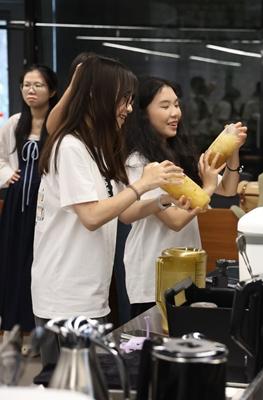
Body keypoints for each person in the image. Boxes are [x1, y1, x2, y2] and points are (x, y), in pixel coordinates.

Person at [32, 56, 187, 368]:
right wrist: (143, 184)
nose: (128, 108)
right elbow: (91, 217)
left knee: (93, 382)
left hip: (92, 294)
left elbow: (123, 212)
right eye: (123, 99)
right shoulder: (70, 147)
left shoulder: (101, 149)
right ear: (97, 97)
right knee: (69, 384)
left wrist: (161, 200)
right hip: (65, 296)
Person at [123, 76, 247, 317]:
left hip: (186, 271)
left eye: (177, 104)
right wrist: (207, 188)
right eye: (165, 106)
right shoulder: (139, 162)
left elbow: (228, 189)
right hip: (152, 275)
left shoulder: (178, 153)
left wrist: (233, 150)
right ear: (144, 113)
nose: (175, 113)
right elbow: (175, 220)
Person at [0, 65, 58, 340]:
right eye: (26, 85)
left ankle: (39, 329)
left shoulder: (57, 125)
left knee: (39, 263)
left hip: (45, 205)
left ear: (52, 91)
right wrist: (7, 174)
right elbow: (1, 158)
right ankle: (14, 326)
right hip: (16, 206)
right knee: (14, 260)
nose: (30, 90)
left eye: (38, 85)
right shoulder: (14, 123)